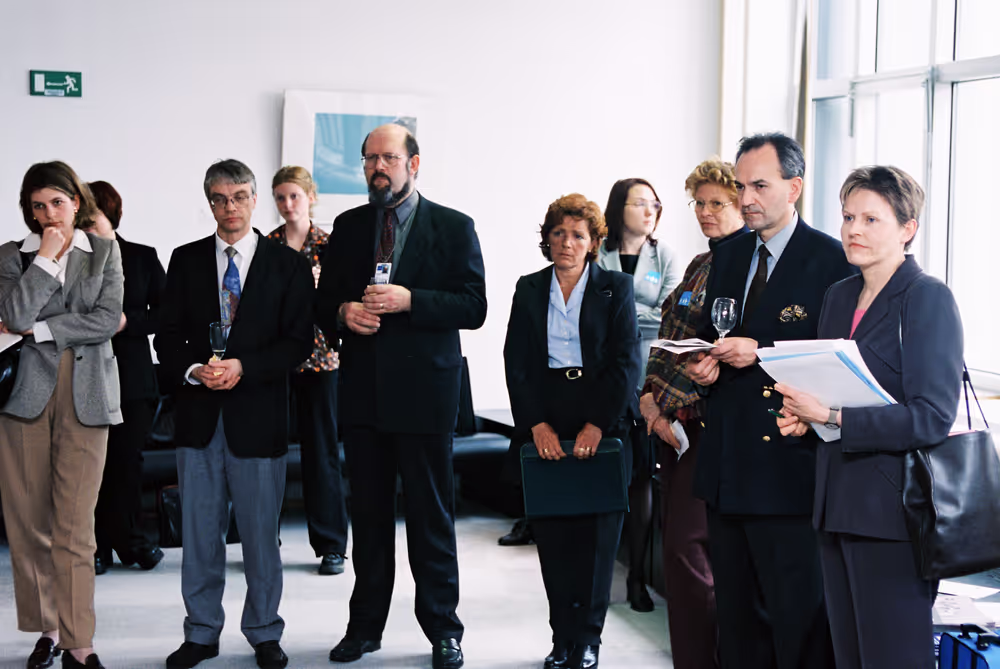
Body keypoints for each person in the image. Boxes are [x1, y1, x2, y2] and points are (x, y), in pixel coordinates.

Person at [774, 166, 960, 669]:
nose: (853, 229)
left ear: (907, 228)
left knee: (892, 657)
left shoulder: (927, 298)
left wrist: (834, 416)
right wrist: (809, 419)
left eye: (871, 219)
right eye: (848, 217)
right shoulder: (838, 296)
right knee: (850, 657)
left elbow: (932, 417)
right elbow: (832, 392)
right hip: (834, 502)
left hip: (894, 512)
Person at [317, 123, 486, 669]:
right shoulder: (348, 226)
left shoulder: (454, 226)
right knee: (367, 520)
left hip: (425, 396)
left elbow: (474, 306)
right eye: (369, 159)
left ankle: (443, 630)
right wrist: (343, 312)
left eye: (388, 158)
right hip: (363, 395)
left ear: (414, 163)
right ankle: (365, 628)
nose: (377, 168)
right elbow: (323, 302)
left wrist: (412, 300)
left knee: (430, 519)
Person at [685, 133, 855, 669]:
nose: (746, 199)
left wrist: (759, 350)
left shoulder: (831, 260)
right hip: (728, 462)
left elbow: (838, 358)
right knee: (736, 621)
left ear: (794, 187)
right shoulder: (729, 254)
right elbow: (713, 331)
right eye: (741, 187)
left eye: (759, 186)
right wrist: (704, 365)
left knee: (797, 619)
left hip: (789, 467)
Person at [155, 159, 314, 669]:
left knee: (261, 537)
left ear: (254, 199)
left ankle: (264, 631)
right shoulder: (185, 260)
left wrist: (245, 366)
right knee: (200, 535)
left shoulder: (287, 264)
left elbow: (298, 343)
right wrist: (194, 369)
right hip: (198, 419)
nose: (231, 207)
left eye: (240, 197)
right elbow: (166, 336)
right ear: (210, 203)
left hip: (258, 419)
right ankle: (201, 633)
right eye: (221, 199)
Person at [504, 193, 642, 669]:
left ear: (594, 243)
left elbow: (626, 362)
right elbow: (517, 362)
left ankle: (588, 642)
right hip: (547, 419)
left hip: (602, 421)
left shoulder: (616, 287)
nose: (567, 242)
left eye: (578, 235)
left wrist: (597, 425)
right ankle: (562, 639)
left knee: (598, 545)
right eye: (558, 233)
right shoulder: (528, 288)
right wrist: (536, 425)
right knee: (555, 541)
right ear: (546, 239)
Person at [0, 161, 124, 669]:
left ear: (77, 202)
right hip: (24, 399)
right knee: (29, 524)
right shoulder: (12, 256)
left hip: (88, 395)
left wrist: (41, 331)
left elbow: (108, 320)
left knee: (76, 527)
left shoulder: (105, 252)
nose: (50, 213)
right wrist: (46, 260)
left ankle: (79, 642)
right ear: (29, 211)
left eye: (58, 201)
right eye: (38, 205)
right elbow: (14, 315)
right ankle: (47, 630)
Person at [640, 158, 748, 669]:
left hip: (708, 428)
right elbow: (668, 341)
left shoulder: (749, 267)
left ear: (744, 204)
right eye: (699, 203)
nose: (705, 212)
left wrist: (669, 406)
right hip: (674, 427)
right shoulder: (701, 263)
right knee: (682, 556)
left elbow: (722, 357)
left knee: (692, 553)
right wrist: (648, 400)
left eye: (717, 203)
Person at [597, 177, 680, 612]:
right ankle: (599, 573)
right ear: (619, 208)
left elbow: (669, 315)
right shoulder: (597, 252)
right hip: (605, 378)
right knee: (606, 474)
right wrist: (632, 312)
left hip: (649, 380)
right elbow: (588, 312)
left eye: (655, 204)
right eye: (640, 203)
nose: (650, 211)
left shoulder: (665, 256)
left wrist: (617, 309)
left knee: (643, 479)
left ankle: (637, 580)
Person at [267, 166, 348, 576]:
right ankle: (264, 540)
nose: (287, 204)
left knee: (322, 454)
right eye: (280, 197)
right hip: (275, 361)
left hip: (320, 361)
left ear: (310, 197)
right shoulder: (267, 245)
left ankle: (331, 544)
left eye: (294, 196)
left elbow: (340, 302)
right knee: (267, 453)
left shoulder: (330, 245)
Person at [85, 180, 167, 576]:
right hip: (85, 374)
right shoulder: (71, 261)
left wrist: (127, 322)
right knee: (91, 464)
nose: (86, 228)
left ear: (111, 217)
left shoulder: (141, 256)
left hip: (132, 376)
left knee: (127, 462)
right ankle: (96, 546)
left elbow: (167, 313)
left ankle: (130, 540)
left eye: (92, 220)